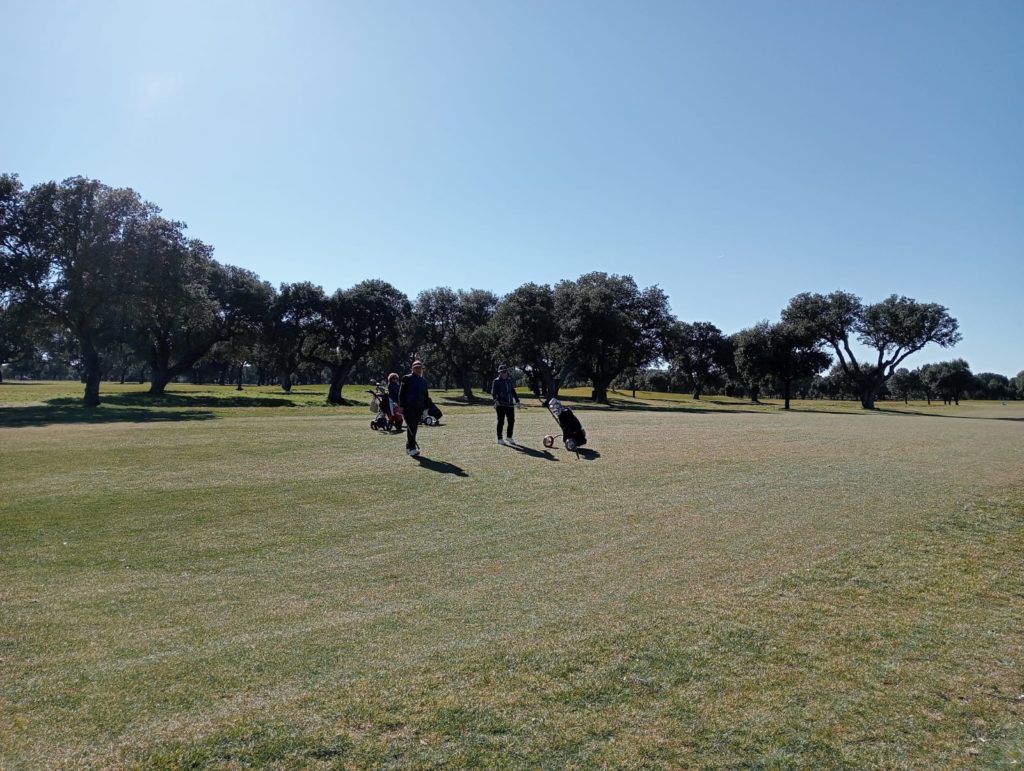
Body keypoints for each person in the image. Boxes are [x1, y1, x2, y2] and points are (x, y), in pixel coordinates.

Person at [398, 360, 429, 456]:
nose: (418, 369)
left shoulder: (423, 381)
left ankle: (409, 446)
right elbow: (401, 393)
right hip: (408, 406)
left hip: (419, 407)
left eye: (419, 368)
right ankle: (412, 448)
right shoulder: (407, 378)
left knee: (414, 427)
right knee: (411, 426)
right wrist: (401, 406)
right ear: (412, 368)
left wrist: (426, 408)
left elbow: (426, 395)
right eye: (416, 368)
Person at [491, 363, 521, 445]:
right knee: (501, 421)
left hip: (510, 404)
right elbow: (494, 393)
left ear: (507, 372)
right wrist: (495, 400)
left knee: (511, 421)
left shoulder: (509, 380)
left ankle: (509, 437)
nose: (503, 373)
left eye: (505, 371)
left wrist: (517, 401)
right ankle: (500, 438)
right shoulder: (496, 381)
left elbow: (513, 391)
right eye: (502, 372)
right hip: (500, 405)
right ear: (499, 373)